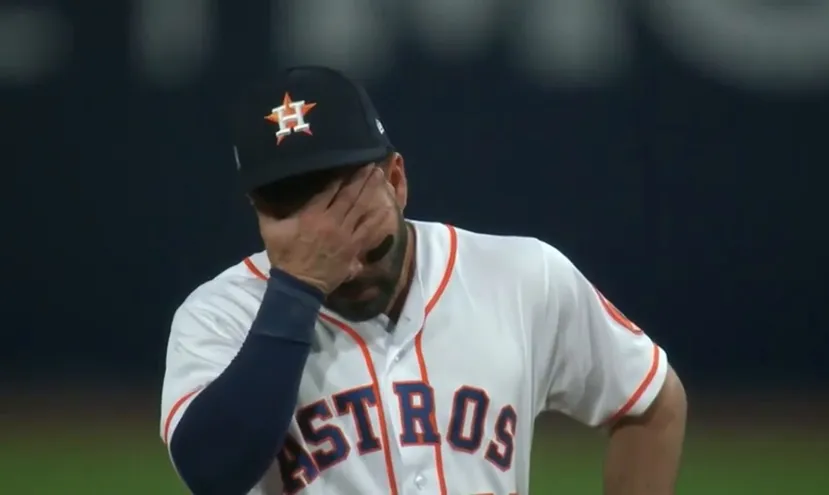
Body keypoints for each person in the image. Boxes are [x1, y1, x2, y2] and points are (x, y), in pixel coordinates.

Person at [159, 65, 687, 495]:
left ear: (395, 180)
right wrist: (297, 288)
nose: (331, 247)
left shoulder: (520, 277)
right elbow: (213, 472)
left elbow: (651, 400)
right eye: (290, 211)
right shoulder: (219, 316)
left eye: (345, 209)